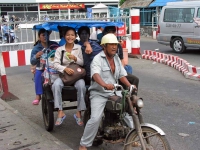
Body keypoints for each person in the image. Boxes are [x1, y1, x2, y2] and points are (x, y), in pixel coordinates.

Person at [79, 34, 136, 150]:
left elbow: (122, 75)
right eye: (111, 44)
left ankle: (132, 137)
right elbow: (95, 75)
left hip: (114, 92)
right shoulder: (97, 59)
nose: (114, 47)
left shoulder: (116, 58)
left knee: (127, 112)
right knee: (95, 118)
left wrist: (130, 85)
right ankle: (83, 144)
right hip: (99, 93)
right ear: (104, 46)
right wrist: (104, 85)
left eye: (115, 44)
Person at [53, 27, 86, 126]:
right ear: (64, 36)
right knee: (55, 85)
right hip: (64, 76)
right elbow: (55, 64)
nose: (70, 37)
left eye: (72, 35)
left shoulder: (79, 48)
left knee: (81, 86)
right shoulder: (60, 49)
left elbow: (83, 62)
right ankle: (60, 111)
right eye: (68, 35)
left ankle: (79, 113)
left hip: (76, 76)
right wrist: (65, 69)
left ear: (75, 37)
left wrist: (75, 58)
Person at [102, 26, 139, 91]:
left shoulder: (118, 46)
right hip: (106, 72)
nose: (114, 47)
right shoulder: (101, 47)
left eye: (115, 45)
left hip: (118, 71)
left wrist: (120, 70)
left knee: (134, 79)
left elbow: (122, 60)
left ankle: (132, 97)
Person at [30, 29, 58, 105]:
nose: (45, 36)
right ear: (39, 37)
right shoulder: (36, 48)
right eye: (43, 35)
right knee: (38, 74)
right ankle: (38, 95)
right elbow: (32, 61)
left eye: (46, 34)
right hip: (42, 68)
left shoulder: (54, 44)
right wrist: (36, 56)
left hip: (53, 68)